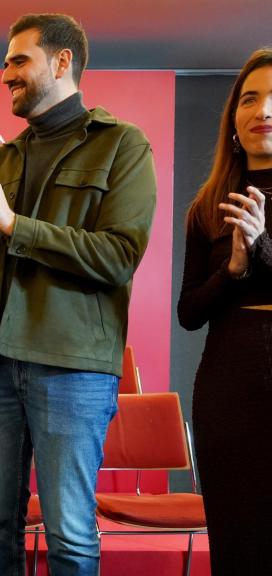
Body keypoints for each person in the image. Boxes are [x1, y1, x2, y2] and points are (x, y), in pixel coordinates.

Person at [0, 14, 156, 575]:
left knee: (68, 535)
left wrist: (15, 223)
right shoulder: (7, 156)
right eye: (5, 62)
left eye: (19, 60)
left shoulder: (123, 144)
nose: (4, 74)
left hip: (71, 369)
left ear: (62, 63)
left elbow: (117, 256)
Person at [177, 47, 272, 575]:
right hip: (228, 384)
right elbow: (189, 312)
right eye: (250, 98)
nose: (263, 110)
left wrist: (261, 248)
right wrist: (233, 271)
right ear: (233, 119)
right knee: (236, 537)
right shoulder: (208, 204)